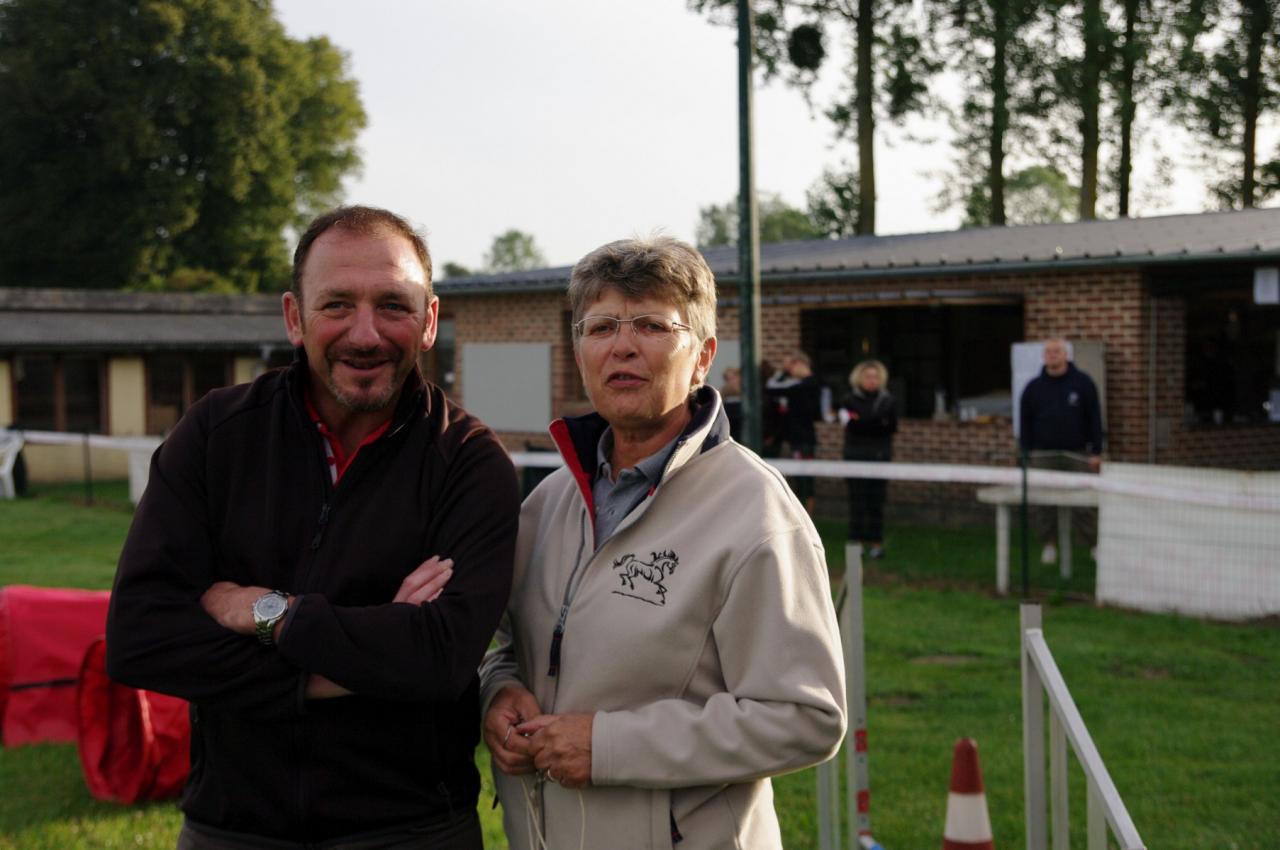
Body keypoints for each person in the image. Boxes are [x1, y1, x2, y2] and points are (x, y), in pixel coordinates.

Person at [105, 206, 520, 849]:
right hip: (232, 829)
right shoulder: (218, 435)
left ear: (430, 320)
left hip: (410, 831)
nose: (365, 333)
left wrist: (265, 613)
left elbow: (441, 660)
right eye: (336, 306)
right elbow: (140, 635)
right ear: (294, 318)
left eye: (392, 305)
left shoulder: (470, 464)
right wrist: (361, 657)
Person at [478, 237, 846, 850]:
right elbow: (509, 647)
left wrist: (610, 747)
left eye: (651, 324)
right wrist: (499, 691)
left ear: (702, 358)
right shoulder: (546, 504)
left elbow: (805, 717)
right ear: (580, 351)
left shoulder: (754, 512)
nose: (622, 345)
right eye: (600, 327)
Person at [1018, 337, 1104, 563]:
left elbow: (1094, 418)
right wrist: (1024, 452)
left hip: (1076, 453)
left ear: (1066, 354)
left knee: (1084, 502)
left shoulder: (1083, 383)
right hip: (1042, 455)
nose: (1052, 355)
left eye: (1057, 351)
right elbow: (1025, 422)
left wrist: (1096, 451)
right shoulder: (1033, 388)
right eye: (1048, 352)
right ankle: (1049, 545)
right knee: (1043, 504)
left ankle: (1093, 545)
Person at [839, 360, 898, 560]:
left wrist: (864, 422)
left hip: (880, 456)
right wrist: (872, 422)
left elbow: (890, 427)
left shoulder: (888, 400)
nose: (871, 380)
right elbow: (851, 426)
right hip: (854, 455)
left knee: (876, 501)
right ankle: (855, 542)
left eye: (875, 376)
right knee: (857, 500)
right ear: (859, 378)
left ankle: (876, 543)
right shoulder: (849, 399)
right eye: (867, 376)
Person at [766, 351, 822, 513]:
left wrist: (780, 374)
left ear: (799, 364)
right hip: (797, 436)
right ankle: (801, 512)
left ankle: (808, 514)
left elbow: (773, 389)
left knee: (805, 478)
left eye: (789, 367)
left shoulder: (806, 384)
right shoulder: (803, 385)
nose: (788, 371)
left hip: (803, 437)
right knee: (799, 477)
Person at [720, 365, 743, 440]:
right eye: (728, 379)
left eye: (734, 377)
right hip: (731, 426)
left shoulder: (745, 389)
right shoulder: (724, 391)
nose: (732, 381)